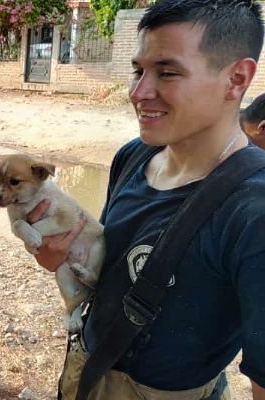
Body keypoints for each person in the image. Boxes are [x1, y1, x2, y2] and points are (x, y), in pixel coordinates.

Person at [30, 0, 265, 399]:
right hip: (87, 372)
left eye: (167, 72)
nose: (139, 93)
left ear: (237, 78)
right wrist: (60, 257)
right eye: (138, 71)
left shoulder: (252, 211)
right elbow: (112, 268)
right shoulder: (134, 155)